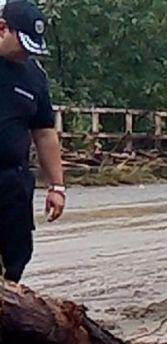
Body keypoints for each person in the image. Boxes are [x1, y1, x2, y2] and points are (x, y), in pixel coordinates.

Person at [0, 0, 65, 282]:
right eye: (24, 44)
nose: (28, 53)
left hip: (12, 183)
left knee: (16, 257)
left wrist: (57, 185)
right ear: (2, 29)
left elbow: (44, 132)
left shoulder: (35, 76)